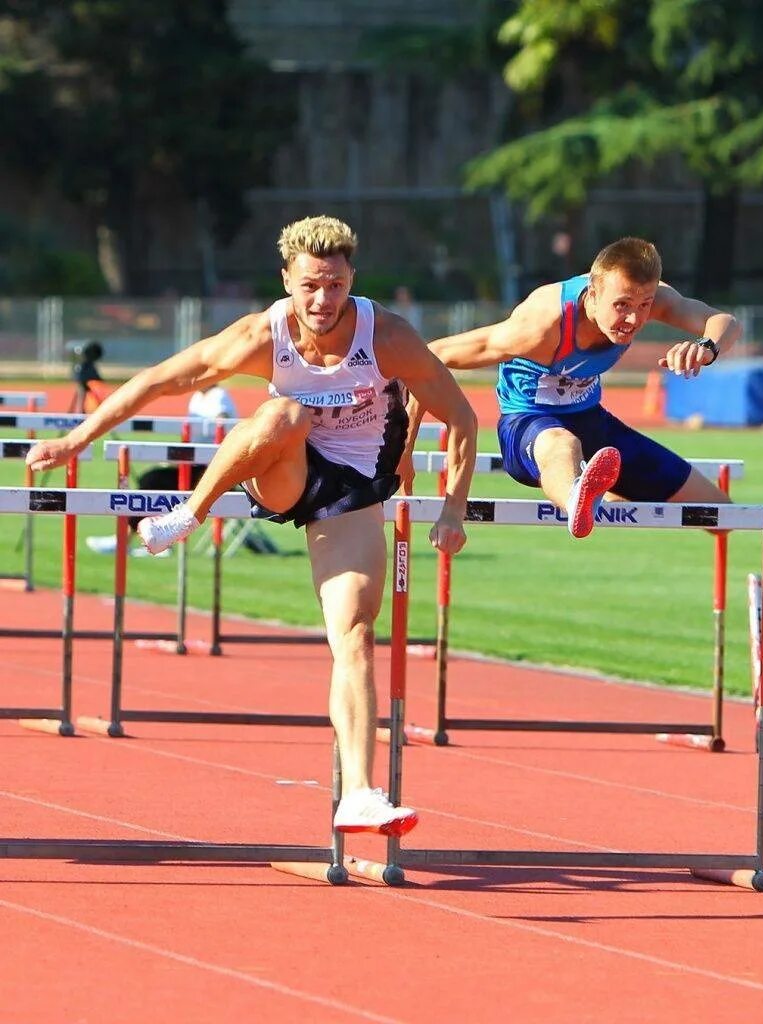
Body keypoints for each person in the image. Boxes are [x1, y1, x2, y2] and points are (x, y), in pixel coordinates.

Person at [28, 215, 478, 837]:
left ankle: (358, 792)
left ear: (353, 281)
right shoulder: (261, 335)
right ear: (287, 280)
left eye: (337, 286)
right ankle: (189, 513)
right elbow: (159, 380)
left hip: (352, 488)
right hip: (284, 470)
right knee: (284, 413)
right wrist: (75, 440)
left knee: (354, 632)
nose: (323, 301)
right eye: (311, 286)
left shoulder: (388, 337)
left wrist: (454, 505)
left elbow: (461, 416)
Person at [406, 237, 741, 537]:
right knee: (562, 445)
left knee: (720, 514)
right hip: (529, 425)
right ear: (592, 294)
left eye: (644, 306)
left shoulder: (651, 298)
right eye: (622, 305)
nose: (633, 320)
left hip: (592, 423)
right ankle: (577, 499)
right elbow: (432, 356)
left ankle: (600, 486)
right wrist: (403, 450)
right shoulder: (541, 324)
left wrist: (706, 347)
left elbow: (724, 322)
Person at [84, 383, 239, 557]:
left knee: (154, 482)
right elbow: (190, 436)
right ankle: (154, 538)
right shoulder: (197, 397)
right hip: (192, 463)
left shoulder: (219, 396)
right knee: (149, 478)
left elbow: (223, 425)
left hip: (212, 470)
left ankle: (130, 540)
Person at [68, 340, 105, 413]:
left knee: (84, 395)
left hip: (83, 379)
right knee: (81, 395)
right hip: (83, 380)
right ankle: (80, 412)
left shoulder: (87, 363)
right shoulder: (83, 364)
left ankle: (80, 412)